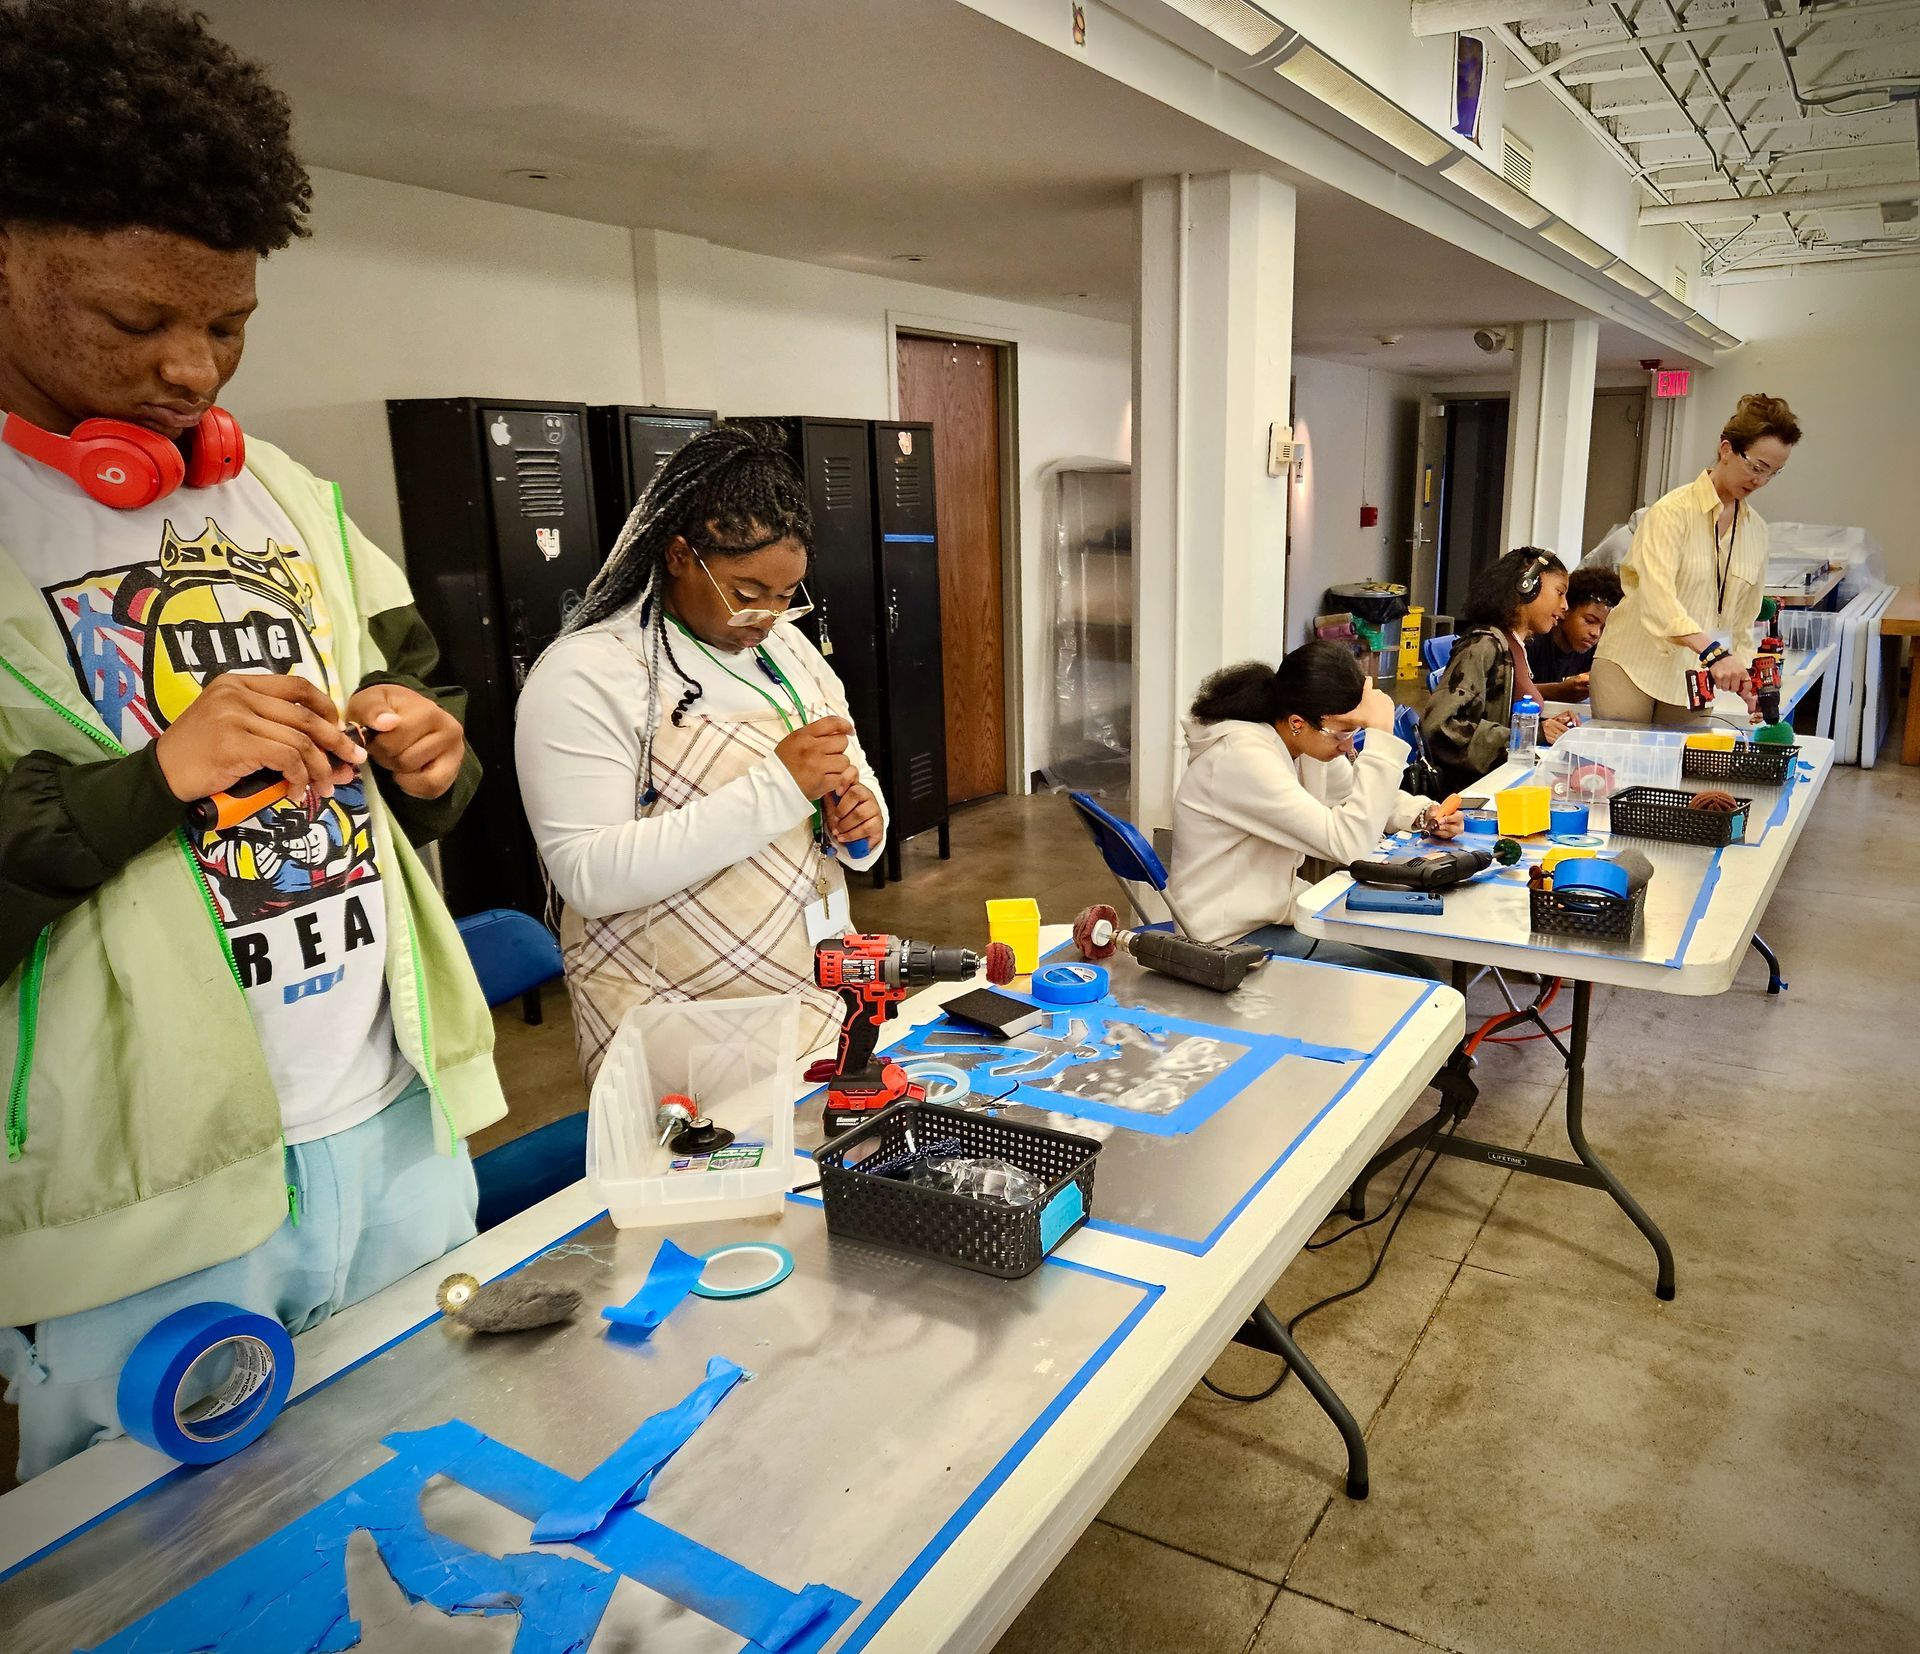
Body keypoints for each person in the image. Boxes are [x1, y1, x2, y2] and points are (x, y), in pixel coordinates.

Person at [0, 0, 504, 1478]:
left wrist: (428, 753)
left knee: (440, 1488)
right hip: (138, 1202)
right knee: (164, 1566)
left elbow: (437, 744)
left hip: (392, 1121)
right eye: (137, 320)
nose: (192, 372)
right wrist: (162, 773)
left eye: (226, 324)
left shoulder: (284, 492)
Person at [516, 424, 888, 1081]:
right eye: (746, 593)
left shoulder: (789, 653)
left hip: (812, 1003)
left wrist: (863, 823)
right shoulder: (591, 672)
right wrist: (777, 790)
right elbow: (588, 876)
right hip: (674, 1027)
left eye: (785, 596)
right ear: (680, 554)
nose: (767, 617)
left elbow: (851, 772)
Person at [1165, 642, 1461, 978]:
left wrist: (1424, 813)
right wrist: (1382, 734)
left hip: (1278, 915)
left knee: (1416, 964)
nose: (1349, 746)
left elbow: (1357, 795)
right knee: (1420, 983)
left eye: (1357, 731)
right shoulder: (1242, 757)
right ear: (1297, 722)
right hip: (1226, 940)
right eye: (1343, 732)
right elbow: (1350, 844)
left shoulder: (1304, 743)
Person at [1590, 393, 1799, 726]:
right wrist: (1715, 653)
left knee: (1682, 772)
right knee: (1624, 767)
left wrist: (1745, 676)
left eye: (1772, 473)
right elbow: (1656, 598)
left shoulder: (1756, 531)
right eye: (1756, 467)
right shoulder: (1670, 513)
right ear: (1726, 449)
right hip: (1633, 665)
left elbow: (1742, 620)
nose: (1759, 481)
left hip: (1694, 676)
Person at [1421, 547, 1577, 795]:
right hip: (1473, 795)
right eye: (1559, 593)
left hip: (1501, 784)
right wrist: (1530, 735)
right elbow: (1439, 727)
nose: (1565, 605)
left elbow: (1497, 717)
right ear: (1527, 586)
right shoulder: (1484, 646)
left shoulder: (1513, 646)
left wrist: (1544, 727)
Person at [1527, 564, 1622, 702]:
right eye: (1589, 621)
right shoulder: (1533, 640)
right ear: (1566, 609)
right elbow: (1508, 691)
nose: (1596, 634)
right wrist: (1557, 691)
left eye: (1604, 628)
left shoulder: (1596, 653)